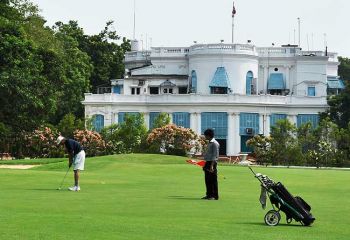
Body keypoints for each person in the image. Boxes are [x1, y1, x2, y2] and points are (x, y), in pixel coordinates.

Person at [202, 128, 220, 200]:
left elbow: (215, 155)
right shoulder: (209, 143)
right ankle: (209, 194)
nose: (205, 137)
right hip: (207, 162)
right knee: (207, 179)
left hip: (212, 163)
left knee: (213, 180)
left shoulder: (215, 143)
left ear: (209, 135)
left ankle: (214, 195)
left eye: (205, 135)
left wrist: (212, 166)